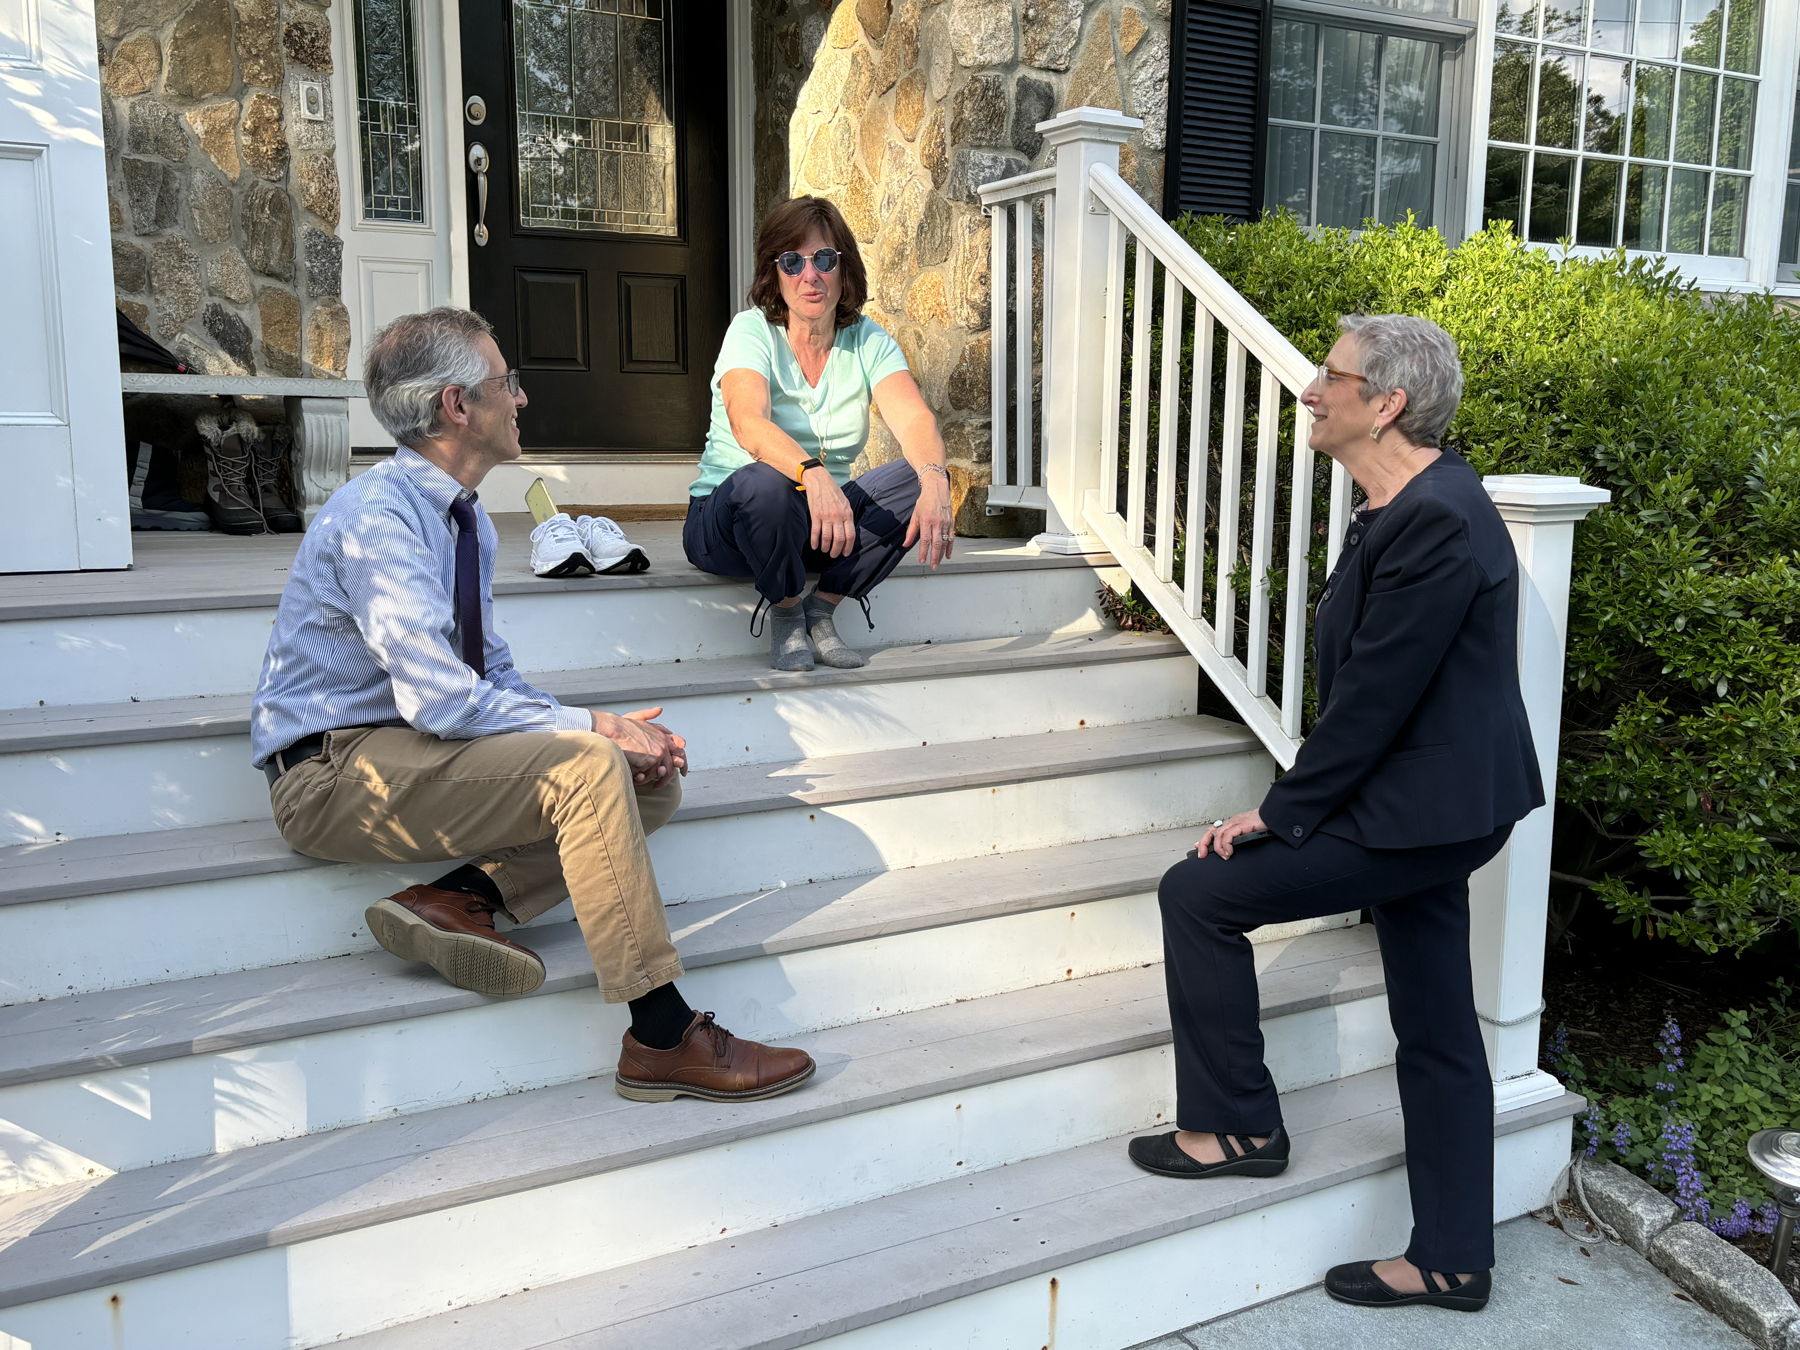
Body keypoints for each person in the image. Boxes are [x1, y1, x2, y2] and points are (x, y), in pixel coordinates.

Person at [249, 306, 814, 1104]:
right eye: (505, 382)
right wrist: (590, 729)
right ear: (456, 405)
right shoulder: (379, 520)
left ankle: (457, 898)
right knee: (590, 768)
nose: (520, 399)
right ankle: (660, 1035)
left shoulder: (465, 517)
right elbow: (443, 699)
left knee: (646, 787)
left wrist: (607, 736)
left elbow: (489, 674)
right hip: (335, 774)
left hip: (408, 748)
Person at [1129, 315, 1543, 1313]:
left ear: (1386, 403)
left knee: (1200, 893)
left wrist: (1283, 813)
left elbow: (1375, 699)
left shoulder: (1437, 515)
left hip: (1421, 811)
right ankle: (1452, 1257)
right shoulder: (1412, 500)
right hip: (1432, 804)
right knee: (1440, 1024)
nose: (1311, 391)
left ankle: (1235, 1128)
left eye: (1332, 376)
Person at [683, 196, 956, 671]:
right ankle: (787, 612)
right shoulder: (751, 331)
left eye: (824, 259)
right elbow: (748, 423)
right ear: (775, 274)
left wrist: (936, 478)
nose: (810, 276)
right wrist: (813, 473)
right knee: (764, 481)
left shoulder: (867, 339)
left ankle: (821, 608)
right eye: (792, 261)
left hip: (818, 524)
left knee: (916, 479)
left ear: (844, 271)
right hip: (727, 522)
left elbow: (913, 417)